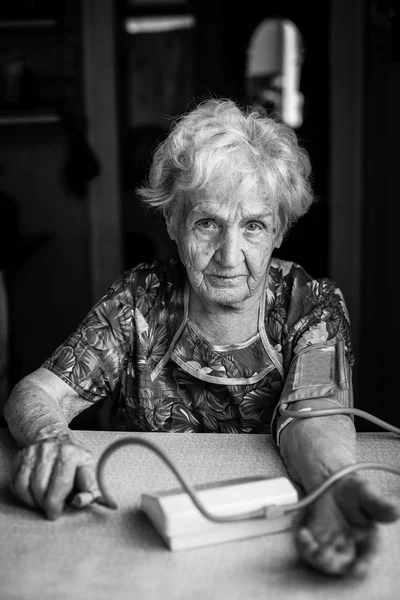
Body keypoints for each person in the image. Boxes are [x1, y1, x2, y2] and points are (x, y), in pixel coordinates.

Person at [3, 98, 399, 577]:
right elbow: (37, 392)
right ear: (172, 222)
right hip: (142, 532)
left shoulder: (311, 306)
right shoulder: (139, 300)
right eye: (208, 223)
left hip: (260, 534)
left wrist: (333, 483)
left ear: (279, 232)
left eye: (253, 225)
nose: (229, 256)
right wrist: (49, 438)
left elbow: (315, 415)